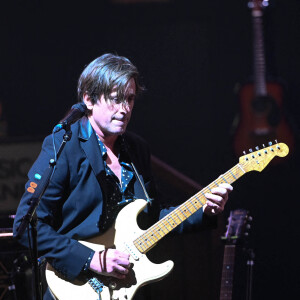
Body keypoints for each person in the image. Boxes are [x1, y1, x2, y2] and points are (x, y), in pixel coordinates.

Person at [13, 53, 233, 299]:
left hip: (126, 286)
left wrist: (203, 212)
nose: (125, 109)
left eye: (129, 99)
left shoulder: (136, 148)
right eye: (116, 99)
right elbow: (26, 227)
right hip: (76, 286)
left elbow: (153, 217)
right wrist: (91, 259)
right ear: (89, 99)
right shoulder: (64, 146)